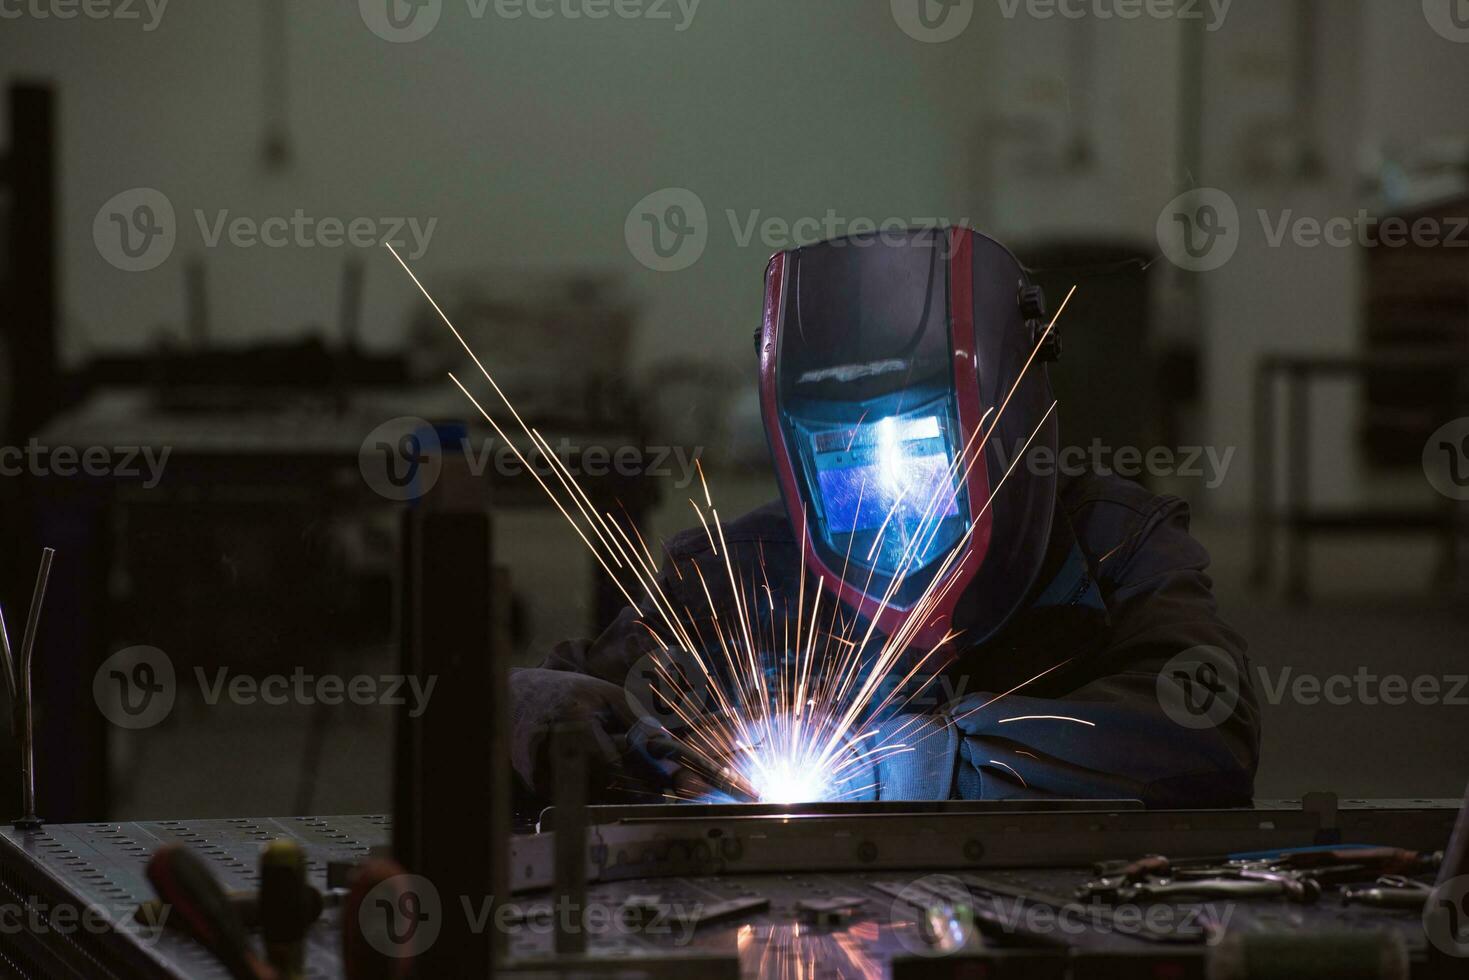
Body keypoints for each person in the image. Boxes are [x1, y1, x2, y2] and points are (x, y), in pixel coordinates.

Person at [511, 227, 1260, 808]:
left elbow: (1203, 730)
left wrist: (917, 762)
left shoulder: (1114, 545)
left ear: (1003, 428)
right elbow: (568, 693)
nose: (891, 513)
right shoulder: (741, 570)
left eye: (920, 465)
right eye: (846, 468)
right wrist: (531, 715)